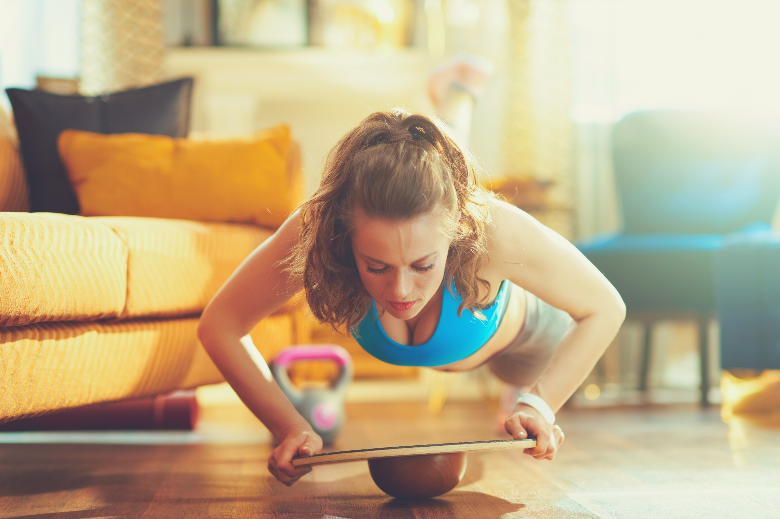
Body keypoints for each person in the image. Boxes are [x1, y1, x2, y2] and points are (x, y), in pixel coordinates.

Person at [197, 108, 626, 487]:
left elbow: (605, 308)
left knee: (514, 379)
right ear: (346, 239)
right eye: (376, 267)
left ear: (457, 232)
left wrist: (538, 402)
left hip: (525, 339)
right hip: (466, 332)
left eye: (423, 266)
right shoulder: (318, 229)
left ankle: (456, 103)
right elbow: (220, 325)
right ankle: (454, 101)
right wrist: (288, 424)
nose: (400, 292)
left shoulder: (495, 229)